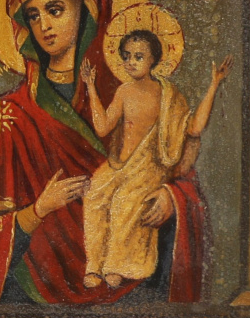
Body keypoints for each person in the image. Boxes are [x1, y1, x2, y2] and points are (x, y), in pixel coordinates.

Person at [0, 0, 207, 305]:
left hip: (131, 287)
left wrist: (171, 199)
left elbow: (179, 169)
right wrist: (36, 212)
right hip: (29, 304)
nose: (44, 26)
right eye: (33, 15)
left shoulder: (134, 100)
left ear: (89, 13)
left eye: (55, 10)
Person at [80, 33, 231, 288]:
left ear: (154, 60)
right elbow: (103, 127)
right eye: (126, 56)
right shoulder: (124, 91)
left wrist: (214, 84)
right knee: (95, 194)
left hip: (149, 168)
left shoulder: (168, 96)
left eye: (138, 57)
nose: (130, 62)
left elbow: (194, 128)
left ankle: (118, 265)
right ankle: (94, 265)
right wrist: (91, 87)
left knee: (124, 200)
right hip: (119, 165)